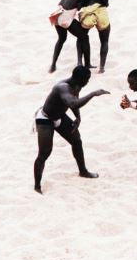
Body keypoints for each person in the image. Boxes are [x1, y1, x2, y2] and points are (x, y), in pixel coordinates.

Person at [32, 65, 109, 194]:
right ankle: (37, 186)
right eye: (87, 79)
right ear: (80, 79)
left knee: (77, 141)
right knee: (44, 153)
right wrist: (93, 94)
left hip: (59, 115)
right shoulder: (62, 87)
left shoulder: (77, 86)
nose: (88, 82)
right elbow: (73, 103)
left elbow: (74, 101)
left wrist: (78, 117)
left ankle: (83, 171)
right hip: (45, 119)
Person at [48, 0, 97, 73]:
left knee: (61, 39)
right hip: (66, 16)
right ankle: (87, 64)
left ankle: (53, 65)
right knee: (84, 37)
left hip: (57, 13)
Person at [76, 0, 111, 74]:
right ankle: (102, 67)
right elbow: (106, 1)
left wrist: (81, 3)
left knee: (81, 36)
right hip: (101, 10)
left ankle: (79, 62)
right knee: (104, 41)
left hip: (88, 12)